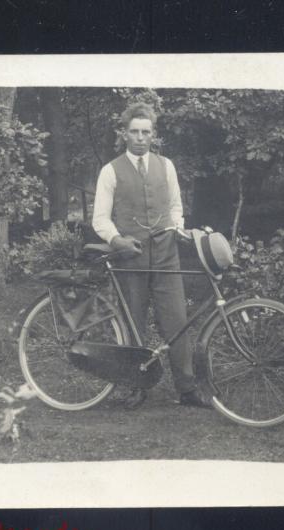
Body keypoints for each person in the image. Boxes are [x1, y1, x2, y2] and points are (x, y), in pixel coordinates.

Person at [92, 102, 210, 409]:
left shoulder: (166, 165)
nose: (140, 138)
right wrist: (117, 240)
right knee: (133, 322)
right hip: (129, 258)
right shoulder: (110, 171)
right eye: (134, 132)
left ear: (153, 134)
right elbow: (100, 219)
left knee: (177, 320)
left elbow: (175, 206)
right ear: (124, 133)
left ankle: (187, 389)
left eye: (146, 132)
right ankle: (136, 386)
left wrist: (177, 229)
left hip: (166, 255)